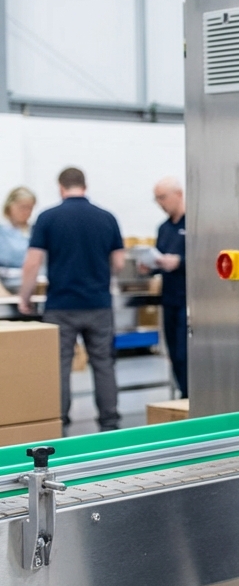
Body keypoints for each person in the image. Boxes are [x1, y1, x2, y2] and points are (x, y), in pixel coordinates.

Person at [19, 168, 125, 431]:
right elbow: (120, 263)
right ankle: (110, 422)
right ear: (84, 186)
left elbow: (32, 263)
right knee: (103, 363)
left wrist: (25, 297)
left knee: (60, 365)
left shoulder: (48, 218)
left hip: (61, 305)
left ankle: (60, 422)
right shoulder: (107, 217)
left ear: (61, 187)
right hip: (98, 304)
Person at [143, 178, 188, 398]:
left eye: (162, 197)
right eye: (157, 199)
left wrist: (180, 262)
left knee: (184, 352)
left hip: (189, 300)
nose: (160, 203)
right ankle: (182, 394)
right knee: (173, 353)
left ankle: (191, 395)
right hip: (169, 298)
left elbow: (206, 261)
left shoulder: (193, 224)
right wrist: (149, 266)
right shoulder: (164, 228)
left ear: (178, 194)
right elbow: (159, 258)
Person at [0, 186, 37, 268]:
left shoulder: (35, 231)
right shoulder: (2, 232)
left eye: (30, 208)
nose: (26, 212)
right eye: (22, 207)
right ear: (10, 206)